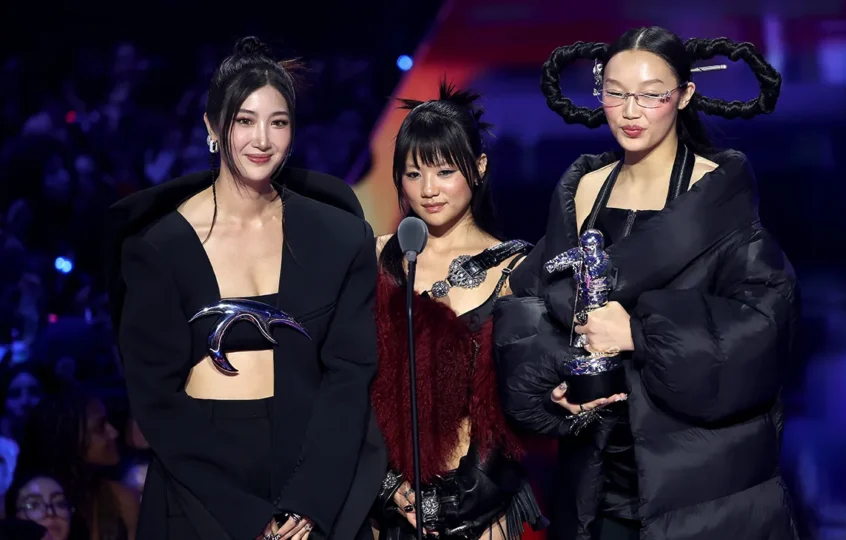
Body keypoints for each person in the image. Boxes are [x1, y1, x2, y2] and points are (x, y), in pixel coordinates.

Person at [493, 26, 799, 540]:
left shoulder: (716, 197)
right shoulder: (584, 191)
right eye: (615, 93)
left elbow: (765, 326)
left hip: (700, 478)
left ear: (684, 95)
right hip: (596, 469)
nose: (630, 111)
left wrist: (639, 334)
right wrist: (556, 380)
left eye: (651, 94)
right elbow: (531, 301)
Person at [105, 37, 385, 540]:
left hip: (309, 485)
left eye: (278, 122)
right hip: (202, 493)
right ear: (213, 127)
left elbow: (349, 378)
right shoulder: (159, 247)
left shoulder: (340, 237)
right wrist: (247, 517)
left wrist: (309, 503)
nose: (262, 139)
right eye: (244, 120)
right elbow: (157, 400)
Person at [369, 81, 545, 540]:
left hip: (483, 504)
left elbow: (520, 406)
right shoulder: (377, 258)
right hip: (388, 504)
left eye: (444, 171)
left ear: (479, 167)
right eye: (413, 174)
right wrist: (387, 486)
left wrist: (472, 494)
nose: (428, 190)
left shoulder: (516, 267)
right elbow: (347, 382)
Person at [19, 387, 135, 540]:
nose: (114, 433)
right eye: (100, 427)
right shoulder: (18, 505)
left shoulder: (122, 502)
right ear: (69, 440)